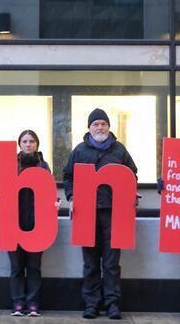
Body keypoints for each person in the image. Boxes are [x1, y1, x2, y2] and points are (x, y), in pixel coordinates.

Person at [63, 108, 137, 320]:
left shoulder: (119, 150)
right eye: (96, 124)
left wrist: (131, 194)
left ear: (109, 127)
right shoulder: (78, 151)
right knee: (90, 262)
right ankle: (91, 304)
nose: (100, 127)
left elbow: (132, 174)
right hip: (86, 213)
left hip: (114, 213)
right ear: (89, 128)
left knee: (112, 263)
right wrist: (71, 197)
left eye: (103, 124)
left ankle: (112, 304)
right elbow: (68, 177)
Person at [0, 130, 58, 317]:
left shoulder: (43, 166)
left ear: (37, 144)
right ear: (20, 144)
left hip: (37, 223)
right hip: (13, 222)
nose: (28, 144)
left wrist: (54, 203)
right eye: (25, 141)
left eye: (32, 141)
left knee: (34, 267)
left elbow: (49, 191)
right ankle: (18, 303)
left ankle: (33, 304)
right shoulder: (8, 165)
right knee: (17, 267)